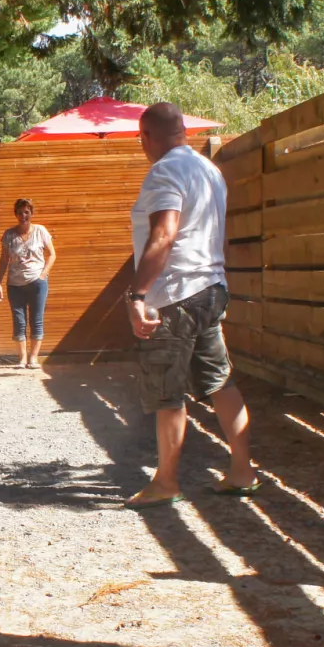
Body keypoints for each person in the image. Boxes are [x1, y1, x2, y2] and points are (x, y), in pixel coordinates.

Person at [125, 102, 258, 507]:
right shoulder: (209, 171)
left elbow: (164, 235)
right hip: (210, 290)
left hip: (174, 295)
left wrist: (137, 295)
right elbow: (221, 236)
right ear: (183, 130)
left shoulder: (165, 171)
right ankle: (242, 470)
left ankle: (166, 482)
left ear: (145, 136)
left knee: (168, 390)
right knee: (220, 381)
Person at [0, 198, 57, 369]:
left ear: (31, 213)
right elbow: (3, 259)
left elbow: (52, 254)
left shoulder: (40, 231)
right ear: (16, 214)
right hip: (14, 284)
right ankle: (21, 358)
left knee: (36, 320)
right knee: (19, 320)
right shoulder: (9, 234)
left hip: (37, 282)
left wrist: (43, 274)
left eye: (26, 212)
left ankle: (33, 358)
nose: (23, 216)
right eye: (20, 212)